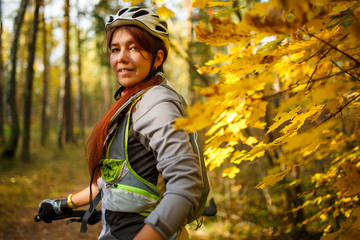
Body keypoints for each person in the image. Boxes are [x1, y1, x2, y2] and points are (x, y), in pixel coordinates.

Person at [37, 6, 202, 240]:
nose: (121, 57)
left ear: (158, 57)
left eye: (133, 47)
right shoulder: (135, 101)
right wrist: (65, 204)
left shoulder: (156, 102)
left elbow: (185, 185)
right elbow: (116, 178)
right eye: (115, 49)